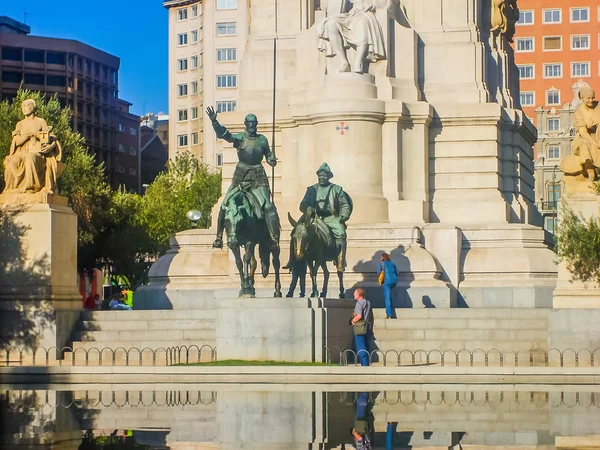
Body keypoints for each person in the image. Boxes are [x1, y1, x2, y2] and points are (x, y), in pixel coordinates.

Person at [206, 106, 280, 250]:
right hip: (241, 177)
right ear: (246, 124)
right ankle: (219, 237)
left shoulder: (262, 140)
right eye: (249, 123)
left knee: (268, 206)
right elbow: (225, 135)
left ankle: (273, 238)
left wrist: (272, 160)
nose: (252, 126)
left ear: (256, 124)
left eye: (254, 123)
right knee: (224, 204)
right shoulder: (240, 137)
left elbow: (269, 155)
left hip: (258, 177)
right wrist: (215, 122)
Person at [287, 163, 352, 271]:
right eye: (320, 175)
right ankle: (292, 260)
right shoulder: (311, 189)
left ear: (329, 176)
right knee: (297, 232)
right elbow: (303, 204)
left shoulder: (337, 189)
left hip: (331, 217)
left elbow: (345, 205)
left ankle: (340, 261)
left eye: (325, 175)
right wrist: (307, 208)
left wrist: (343, 216)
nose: (322, 177)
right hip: (313, 217)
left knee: (340, 232)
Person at [3, 99, 63, 194]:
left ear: (33, 107)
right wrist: (26, 137)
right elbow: (16, 142)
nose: (24, 108)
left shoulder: (40, 121)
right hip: (21, 152)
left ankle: (30, 187)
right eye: (22, 106)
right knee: (11, 163)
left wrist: (50, 146)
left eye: (27, 106)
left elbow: (51, 137)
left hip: (37, 151)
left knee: (31, 157)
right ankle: (11, 189)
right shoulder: (20, 124)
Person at [317, 0, 386, 73]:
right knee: (331, 24)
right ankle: (344, 62)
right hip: (346, 15)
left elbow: (387, 3)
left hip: (363, 13)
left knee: (362, 24)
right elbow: (327, 6)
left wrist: (364, 5)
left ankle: (358, 62)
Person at [560, 84, 600, 180]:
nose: (591, 100)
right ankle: (591, 173)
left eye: (593, 98)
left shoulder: (598, 106)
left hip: (598, 135)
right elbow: (583, 132)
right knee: (586, 146)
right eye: (588, 98)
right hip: (584, 138)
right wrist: (595, 143)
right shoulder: (579, 112)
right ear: (582, 98)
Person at [351, 288, 372, 366]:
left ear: (359, 295)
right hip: (367, 326)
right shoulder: (368, 302)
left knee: (361, 348)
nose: (354, 294)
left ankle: (364, 365)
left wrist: (352, 321)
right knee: (366, 346)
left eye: (355, 293)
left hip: (360, 327)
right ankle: (367, 364)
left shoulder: (359, 303)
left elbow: (359, 316)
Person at [377, 253, 398, 319]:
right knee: (389, 297)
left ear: (383, 258)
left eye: (381, 257)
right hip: (394, 281)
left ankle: (389, 314)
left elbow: (378, 272)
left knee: (387, 298)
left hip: (386, 282)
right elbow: (397, 273)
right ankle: (391, 312)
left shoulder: (381, 264)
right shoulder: (393, 264)